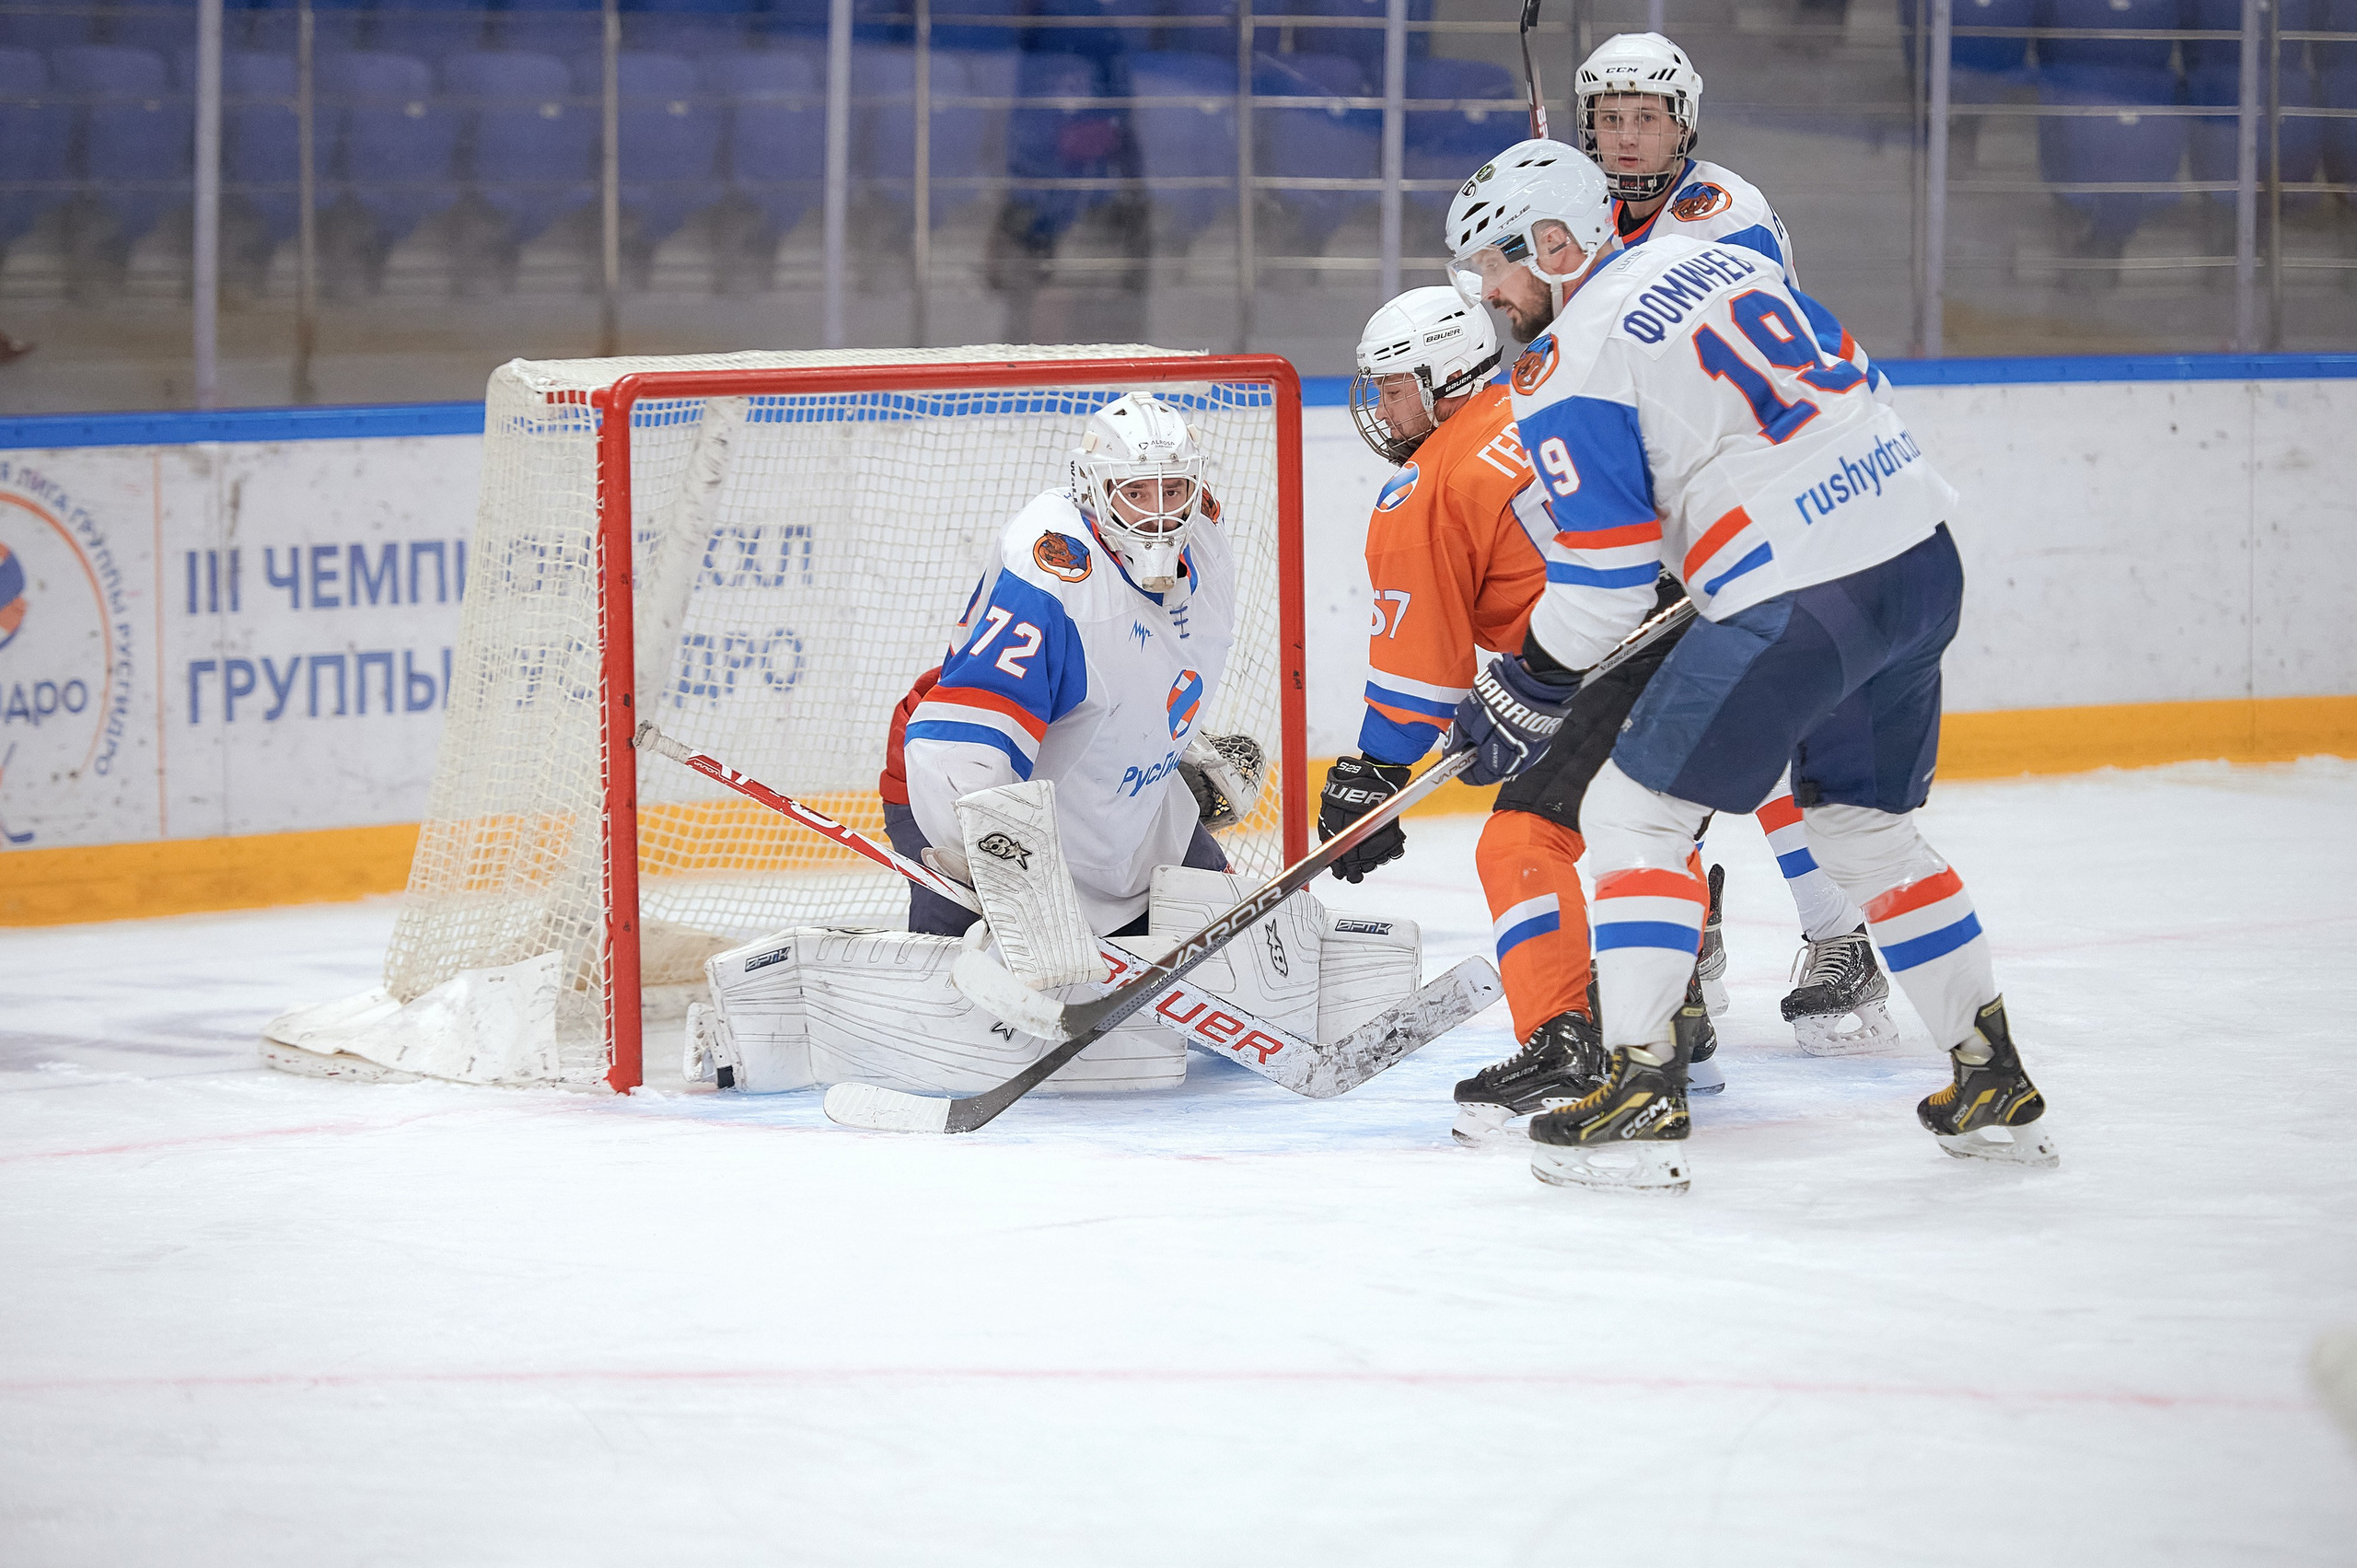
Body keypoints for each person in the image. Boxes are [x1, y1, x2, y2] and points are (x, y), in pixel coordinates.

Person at [1443, 139, 2056, 1191]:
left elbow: (1604, 582)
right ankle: (1990, 1078)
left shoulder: (1568, 360)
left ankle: (1638, 1093)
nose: (1487, 295)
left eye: (1493, 265)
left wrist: (1528, 680)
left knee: (1636, 819)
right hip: (1917, 556)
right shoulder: (1724, 258)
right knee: (1864, 828)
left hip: (1800, 593)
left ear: (1554, 244)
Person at [1455, 75, 1900, 1055]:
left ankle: (1832, 936)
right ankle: (1689, 951)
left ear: (1683, 122)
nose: (1624, 134)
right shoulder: (1580, 218)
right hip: (1700, 516)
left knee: (1739, 753)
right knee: (1671, 753)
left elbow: (1715, 349)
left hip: (1765, 502)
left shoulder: (1722, 212)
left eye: (1643, 116)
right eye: (1607, 118)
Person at [1321, 284, 1725, 1142]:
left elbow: (1418, 667)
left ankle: (1562, 1041)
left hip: (1607, 646)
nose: (1382, 407)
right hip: (1712, 627)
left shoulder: (1426, 485)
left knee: (1522, 839)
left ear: (1440, 379)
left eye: (1393, 386)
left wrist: (1379, 772)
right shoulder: (1543, 396)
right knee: (1646, 828)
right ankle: (1673, 1012)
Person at [878, 391, 1242, 938]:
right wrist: (989, 857)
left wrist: (1163, 749)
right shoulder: (1055, 574)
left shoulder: (1206, 545)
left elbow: (1128, 672)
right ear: (1091, 488)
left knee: (1230, 951)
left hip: (1117, 812)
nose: (1161, 512)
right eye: (1136, 491)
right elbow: (969, 738)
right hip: (957, 789)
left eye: (1174, 489)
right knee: (971, 998)